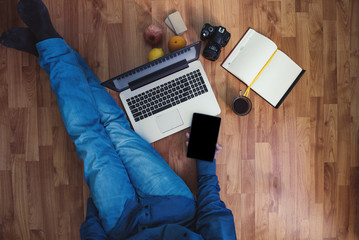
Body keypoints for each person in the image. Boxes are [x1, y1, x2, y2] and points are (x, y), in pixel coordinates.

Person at [0, 0, 237, 239]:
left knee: (89, 137)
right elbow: (214, 219)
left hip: (121, 225)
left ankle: (49, 46)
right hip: (175, 208)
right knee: (115, 126)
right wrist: (205, 160)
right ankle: (49, 49)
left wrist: (94, 216)